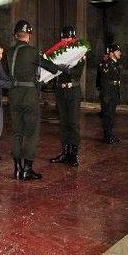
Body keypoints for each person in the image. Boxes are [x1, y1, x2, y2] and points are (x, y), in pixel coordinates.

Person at [8, 20, 62, 181]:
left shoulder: (8, 52)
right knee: (31, 133)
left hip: (14, 94)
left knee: (17, 132)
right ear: (29, 35)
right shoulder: (32, 51)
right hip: (29, 95)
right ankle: (27, 169)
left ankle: (17, 169)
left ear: (16, 35)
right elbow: (52, 68)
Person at [50, 26, 86, 167]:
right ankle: (64, 153)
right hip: (60, 91)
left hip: (72, 91)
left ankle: (73, 155)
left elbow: (76, 73)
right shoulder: (58, 53)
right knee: (63, 123)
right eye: (63, 38)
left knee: (73, 123)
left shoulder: (80, 54)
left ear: (74, 39)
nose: (65, 40)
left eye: (68, 38)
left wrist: (64, 67)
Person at [97, 43, 122, 144]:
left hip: (114, 92)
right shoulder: (106, 64)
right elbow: (103, 81)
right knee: (107, 115)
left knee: (112, 115)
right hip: (108, 93)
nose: (119, 53)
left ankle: (110, 134)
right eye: (117, 51)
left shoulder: (115, 63)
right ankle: (107, 136)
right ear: (111, 53)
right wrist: (106, 95)